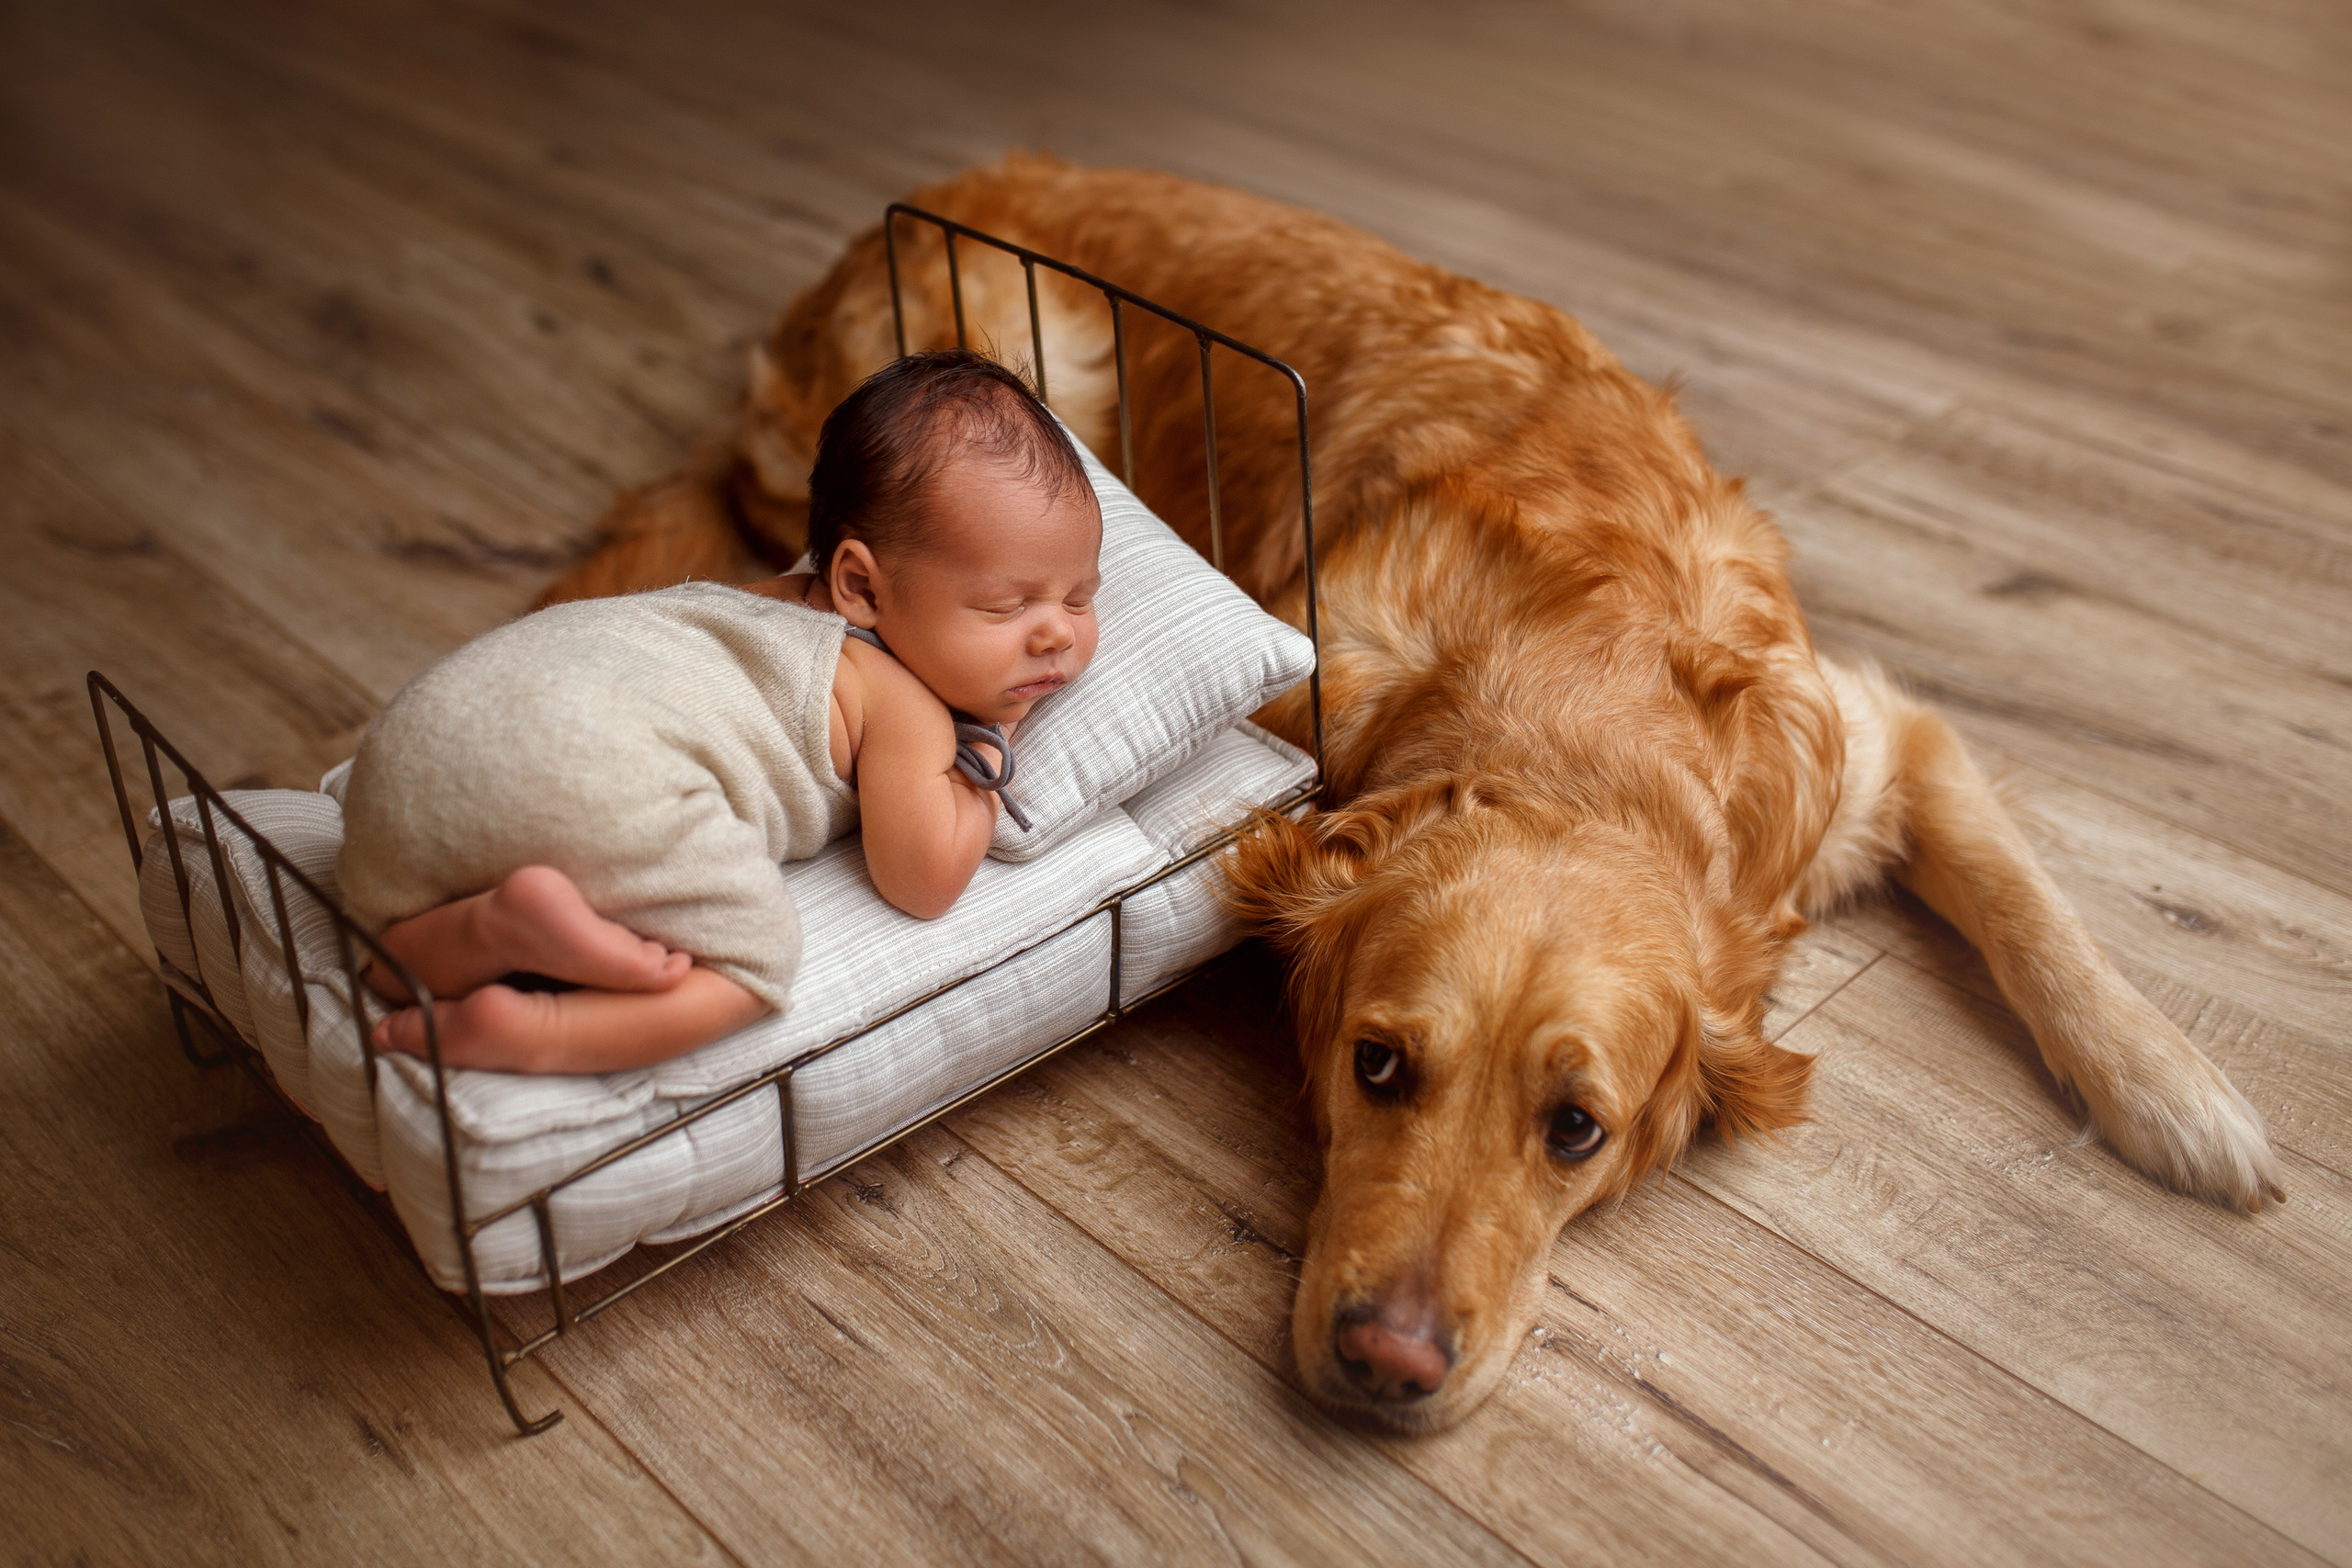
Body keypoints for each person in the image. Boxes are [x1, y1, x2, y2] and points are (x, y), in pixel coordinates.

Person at [334, 350, 1102, 1073]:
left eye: (1080, 596)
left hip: (422, 737)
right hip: (592, 772)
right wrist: (993, 741)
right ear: (860, 589)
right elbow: (925, 879)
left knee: (385, 935)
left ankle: (478, 931)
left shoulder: (747, 602)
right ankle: (536, 1030)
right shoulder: (897, 699)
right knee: (755, 961)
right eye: (1006, 606)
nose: (1057, 632)